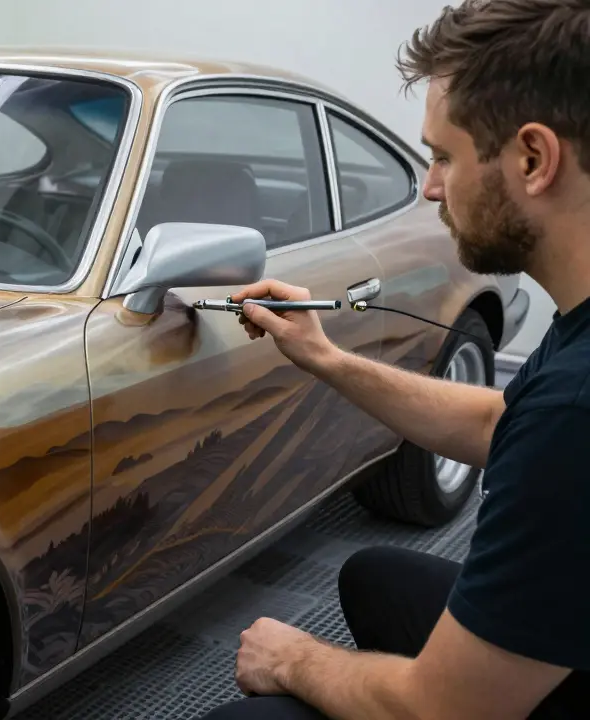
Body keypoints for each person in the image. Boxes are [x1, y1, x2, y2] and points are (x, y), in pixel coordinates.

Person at [196, 1, 590, 718]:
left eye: (442, 155)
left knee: (249, 714)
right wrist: (323, 355)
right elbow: (501, 421)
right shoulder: (576, 345)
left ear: (533, 159)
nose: (430, 186)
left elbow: (443, 709)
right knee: (375, 577)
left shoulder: (576, 413)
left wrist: (294, 659)